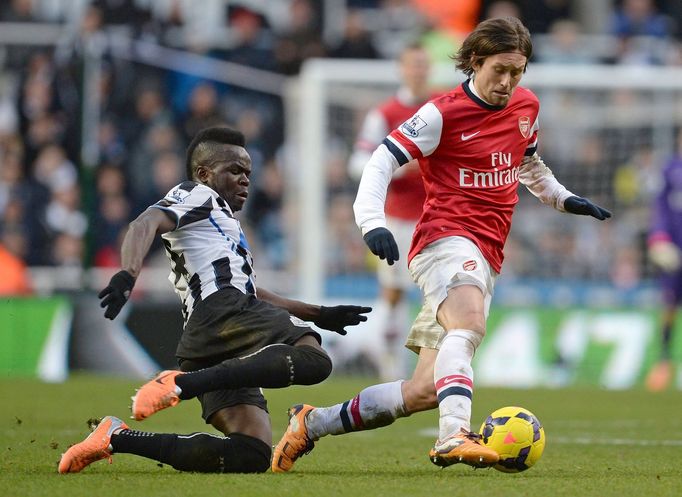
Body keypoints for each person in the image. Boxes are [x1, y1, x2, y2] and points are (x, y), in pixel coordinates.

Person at [271, 16, 611, 473]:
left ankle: (312, 423)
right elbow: (378, 161)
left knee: (423, 391)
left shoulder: (527, 106)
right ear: (475, 62)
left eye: (517, 72)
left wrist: (564, 199)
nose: (508, 82)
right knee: (467, 324)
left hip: (486, 254)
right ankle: (454, 435)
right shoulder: (442, 113)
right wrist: (372, 221)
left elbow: (528, 164)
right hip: (443, 241)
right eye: (499, 71)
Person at [58, 126, 371, 474]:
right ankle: (183, 384)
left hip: (207, 335)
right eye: (234, 170)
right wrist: (128, 273)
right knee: (314, 359)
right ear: (205, 173)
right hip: (224, 312)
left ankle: (116, 437)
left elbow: (251, 290)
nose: (245, 180)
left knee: (251, 453)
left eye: (248, 173)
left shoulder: (221, 224)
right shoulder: (197, 195)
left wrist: (318, 313)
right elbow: (144, 222)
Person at [348, 42, 439, 381]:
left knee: (440, 294)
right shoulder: (384, 113)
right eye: (412, 64)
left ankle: (437, 371)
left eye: (423, 64)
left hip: (439, 216)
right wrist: (402, 166)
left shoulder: (440, 106)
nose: (418, 71)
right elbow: (358, 163)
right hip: (399, 218)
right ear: (402, 69)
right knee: (395, 293)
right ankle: (391, 371)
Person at [646, 129, 682, 391]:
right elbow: (659, 208)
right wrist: (658, 238)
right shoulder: (669, 170)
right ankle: (664, 360)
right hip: (674, 250)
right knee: (669, 304)